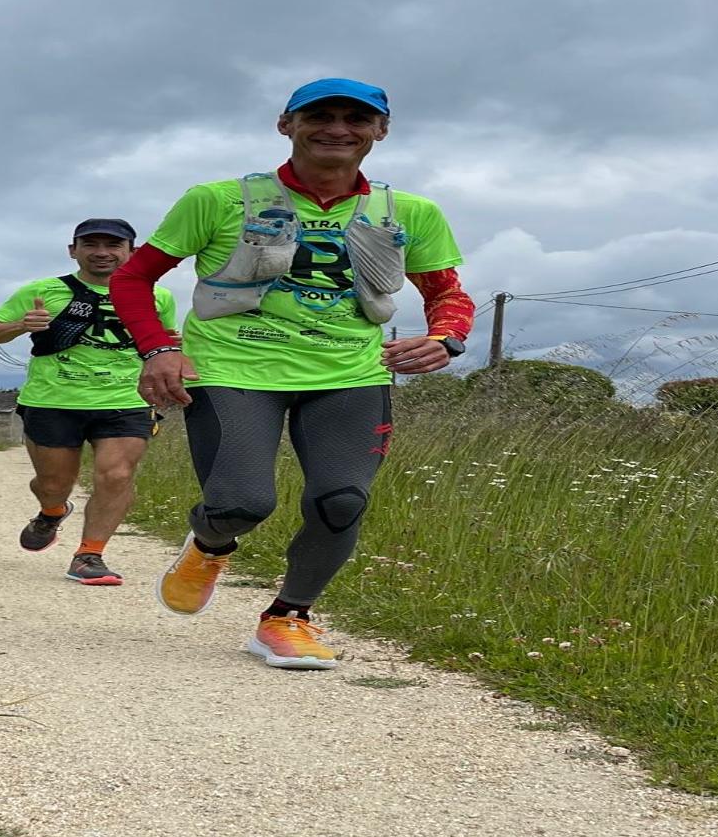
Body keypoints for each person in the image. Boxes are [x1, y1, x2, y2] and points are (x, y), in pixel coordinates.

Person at [108, 78, 474, 669]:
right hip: (234, 366)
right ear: (286, 125)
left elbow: (447, 293)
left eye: (356, 119)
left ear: (380, 131)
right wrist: (157, 349)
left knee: (341, 501)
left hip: (349, 374)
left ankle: (287, 617)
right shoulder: (218, 199)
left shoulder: (409, 213)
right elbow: (132, 277)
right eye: (319, 116)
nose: (337, 129)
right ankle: (210, 542)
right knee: (241, 503)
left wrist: (446, 339)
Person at [0, 218, 178, 586]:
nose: (102, 252)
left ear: (131, 252)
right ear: (74, 251)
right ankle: (52, 511)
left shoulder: (157, 296)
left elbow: (159, 343)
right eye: (91, 244)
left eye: (113, 245)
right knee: (53, 484)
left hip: (125, 399)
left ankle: (90, 554)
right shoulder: (43, 290)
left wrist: (170, 349)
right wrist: (23, 324)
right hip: (53, 400)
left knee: (117, 474)